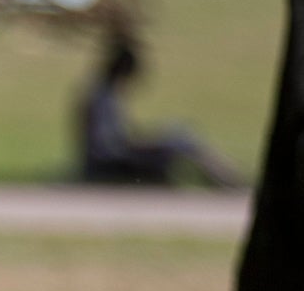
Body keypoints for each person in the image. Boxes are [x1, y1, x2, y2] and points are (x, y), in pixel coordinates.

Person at [75, 37, 243, 189]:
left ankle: (223, 178)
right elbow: (108, 145)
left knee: (180, 134)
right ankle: (226, 179)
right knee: (180, 139)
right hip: (110, 161)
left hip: (113, 154)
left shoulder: (104, 93)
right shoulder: (102, 97)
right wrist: (140, 143)